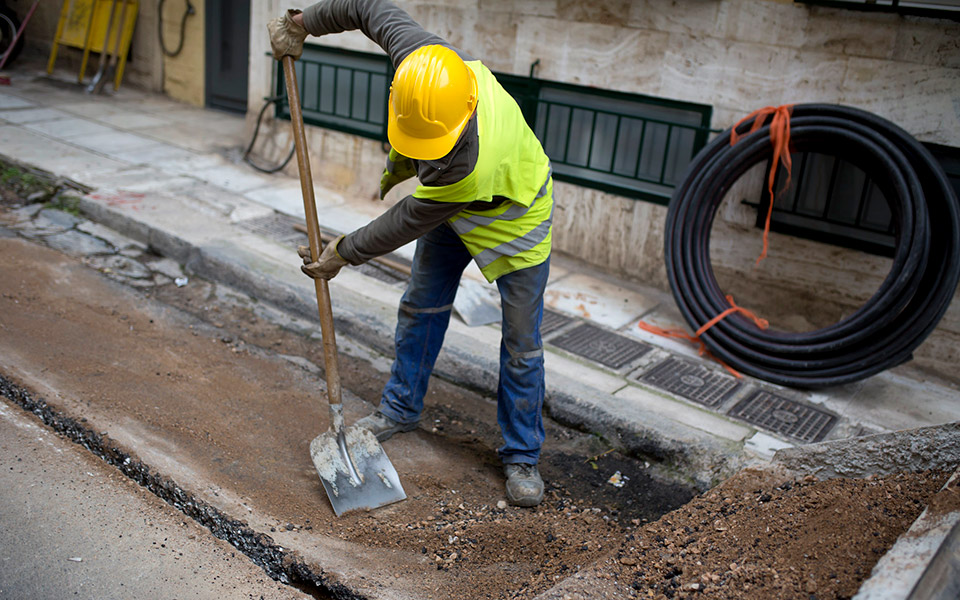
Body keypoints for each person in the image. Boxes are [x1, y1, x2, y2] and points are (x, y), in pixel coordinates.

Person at [268, 0, 554, 507]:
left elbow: (405, 221)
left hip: (516, 213)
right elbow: (364, 6)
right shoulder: (425, 65)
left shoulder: (462, 166)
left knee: (520, 342)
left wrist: (341, 251)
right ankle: (400, 409)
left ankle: (522, 453)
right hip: (451, 211)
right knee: (422, 303)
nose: (426, 154)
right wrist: (301, 23)